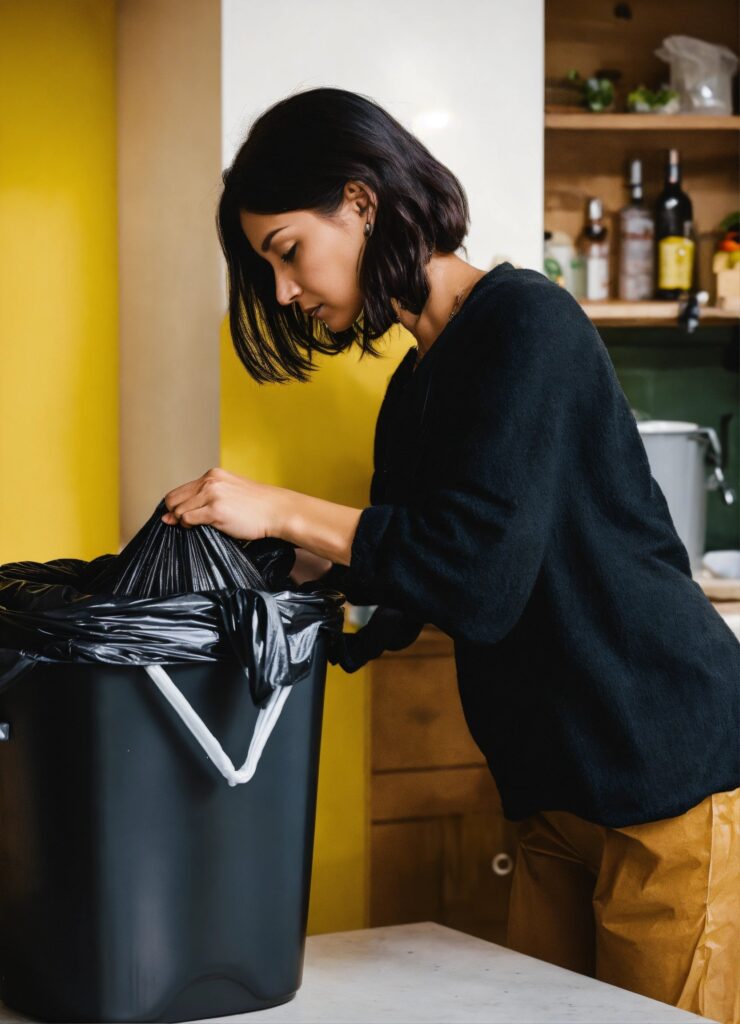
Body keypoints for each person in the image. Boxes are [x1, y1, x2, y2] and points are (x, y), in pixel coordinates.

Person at [162, 86, 740, 1024]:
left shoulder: (528, 323)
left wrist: (284, 510)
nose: (283, 291)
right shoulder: (416, 385)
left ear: (359, 201)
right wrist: (284, 587)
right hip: (552, 793)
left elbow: (476, 577)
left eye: (287, 253)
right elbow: (410, 580)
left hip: (664, 776)